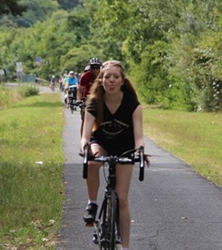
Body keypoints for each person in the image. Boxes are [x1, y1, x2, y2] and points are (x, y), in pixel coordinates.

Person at [80, 60, 145, 250]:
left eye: (116, 77)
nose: (111, 81)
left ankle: (125, 246)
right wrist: (85, 147)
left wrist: (140, 150)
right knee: (93, 161)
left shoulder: (133, 105)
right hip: (101, 143)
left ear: (122, 81)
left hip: (125, 147)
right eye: (107, 77)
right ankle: (92, 203)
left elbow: (139, 137)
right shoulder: (94, 102)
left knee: (122, 198)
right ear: (101, 80)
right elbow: (85, 136)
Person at [77, 58, 102, 134]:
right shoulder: (85, 76)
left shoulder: (103, 76)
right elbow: (80, 90)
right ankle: (83, 141)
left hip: (99, 98)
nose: (95, 70)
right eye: (93, 68)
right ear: (90, 68)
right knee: (85, 119)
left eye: (97, 68)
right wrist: (78, 99)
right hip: (87, 98)